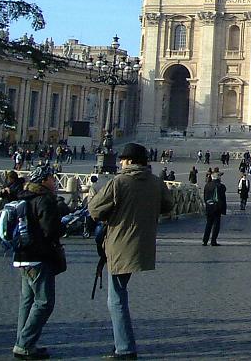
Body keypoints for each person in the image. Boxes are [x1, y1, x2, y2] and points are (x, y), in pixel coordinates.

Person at [89, 143, 174, 360]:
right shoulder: (156, 182)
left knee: (116, 298)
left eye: (123, 159)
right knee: (119, 292)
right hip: (143, 244)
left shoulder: (119, 182)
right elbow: (168, 205)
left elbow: (94, 210)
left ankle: (125, 348)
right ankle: (123, 344)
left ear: (129, 161)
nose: (120, 162)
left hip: (119, 244)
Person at [11, 165, 64, 360]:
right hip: (38, 257)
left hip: (22, 256)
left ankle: (23, 342)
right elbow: (50, 230)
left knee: (27, 301)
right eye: (51, 178)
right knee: (44, 302)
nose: (54, 181)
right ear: (43, 180)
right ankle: (24, 344)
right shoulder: (44, 199)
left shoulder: (24, 197)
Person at [203, 168, 227, 246]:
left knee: (208, 224)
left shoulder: (207, 185)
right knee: (216, 225)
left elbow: (205, 197)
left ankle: (205, 240)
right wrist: (223, 209)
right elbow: (223, 198)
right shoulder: (221, 186)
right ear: (218, 177)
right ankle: (213, 241)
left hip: (209, 207)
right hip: (217, 208)